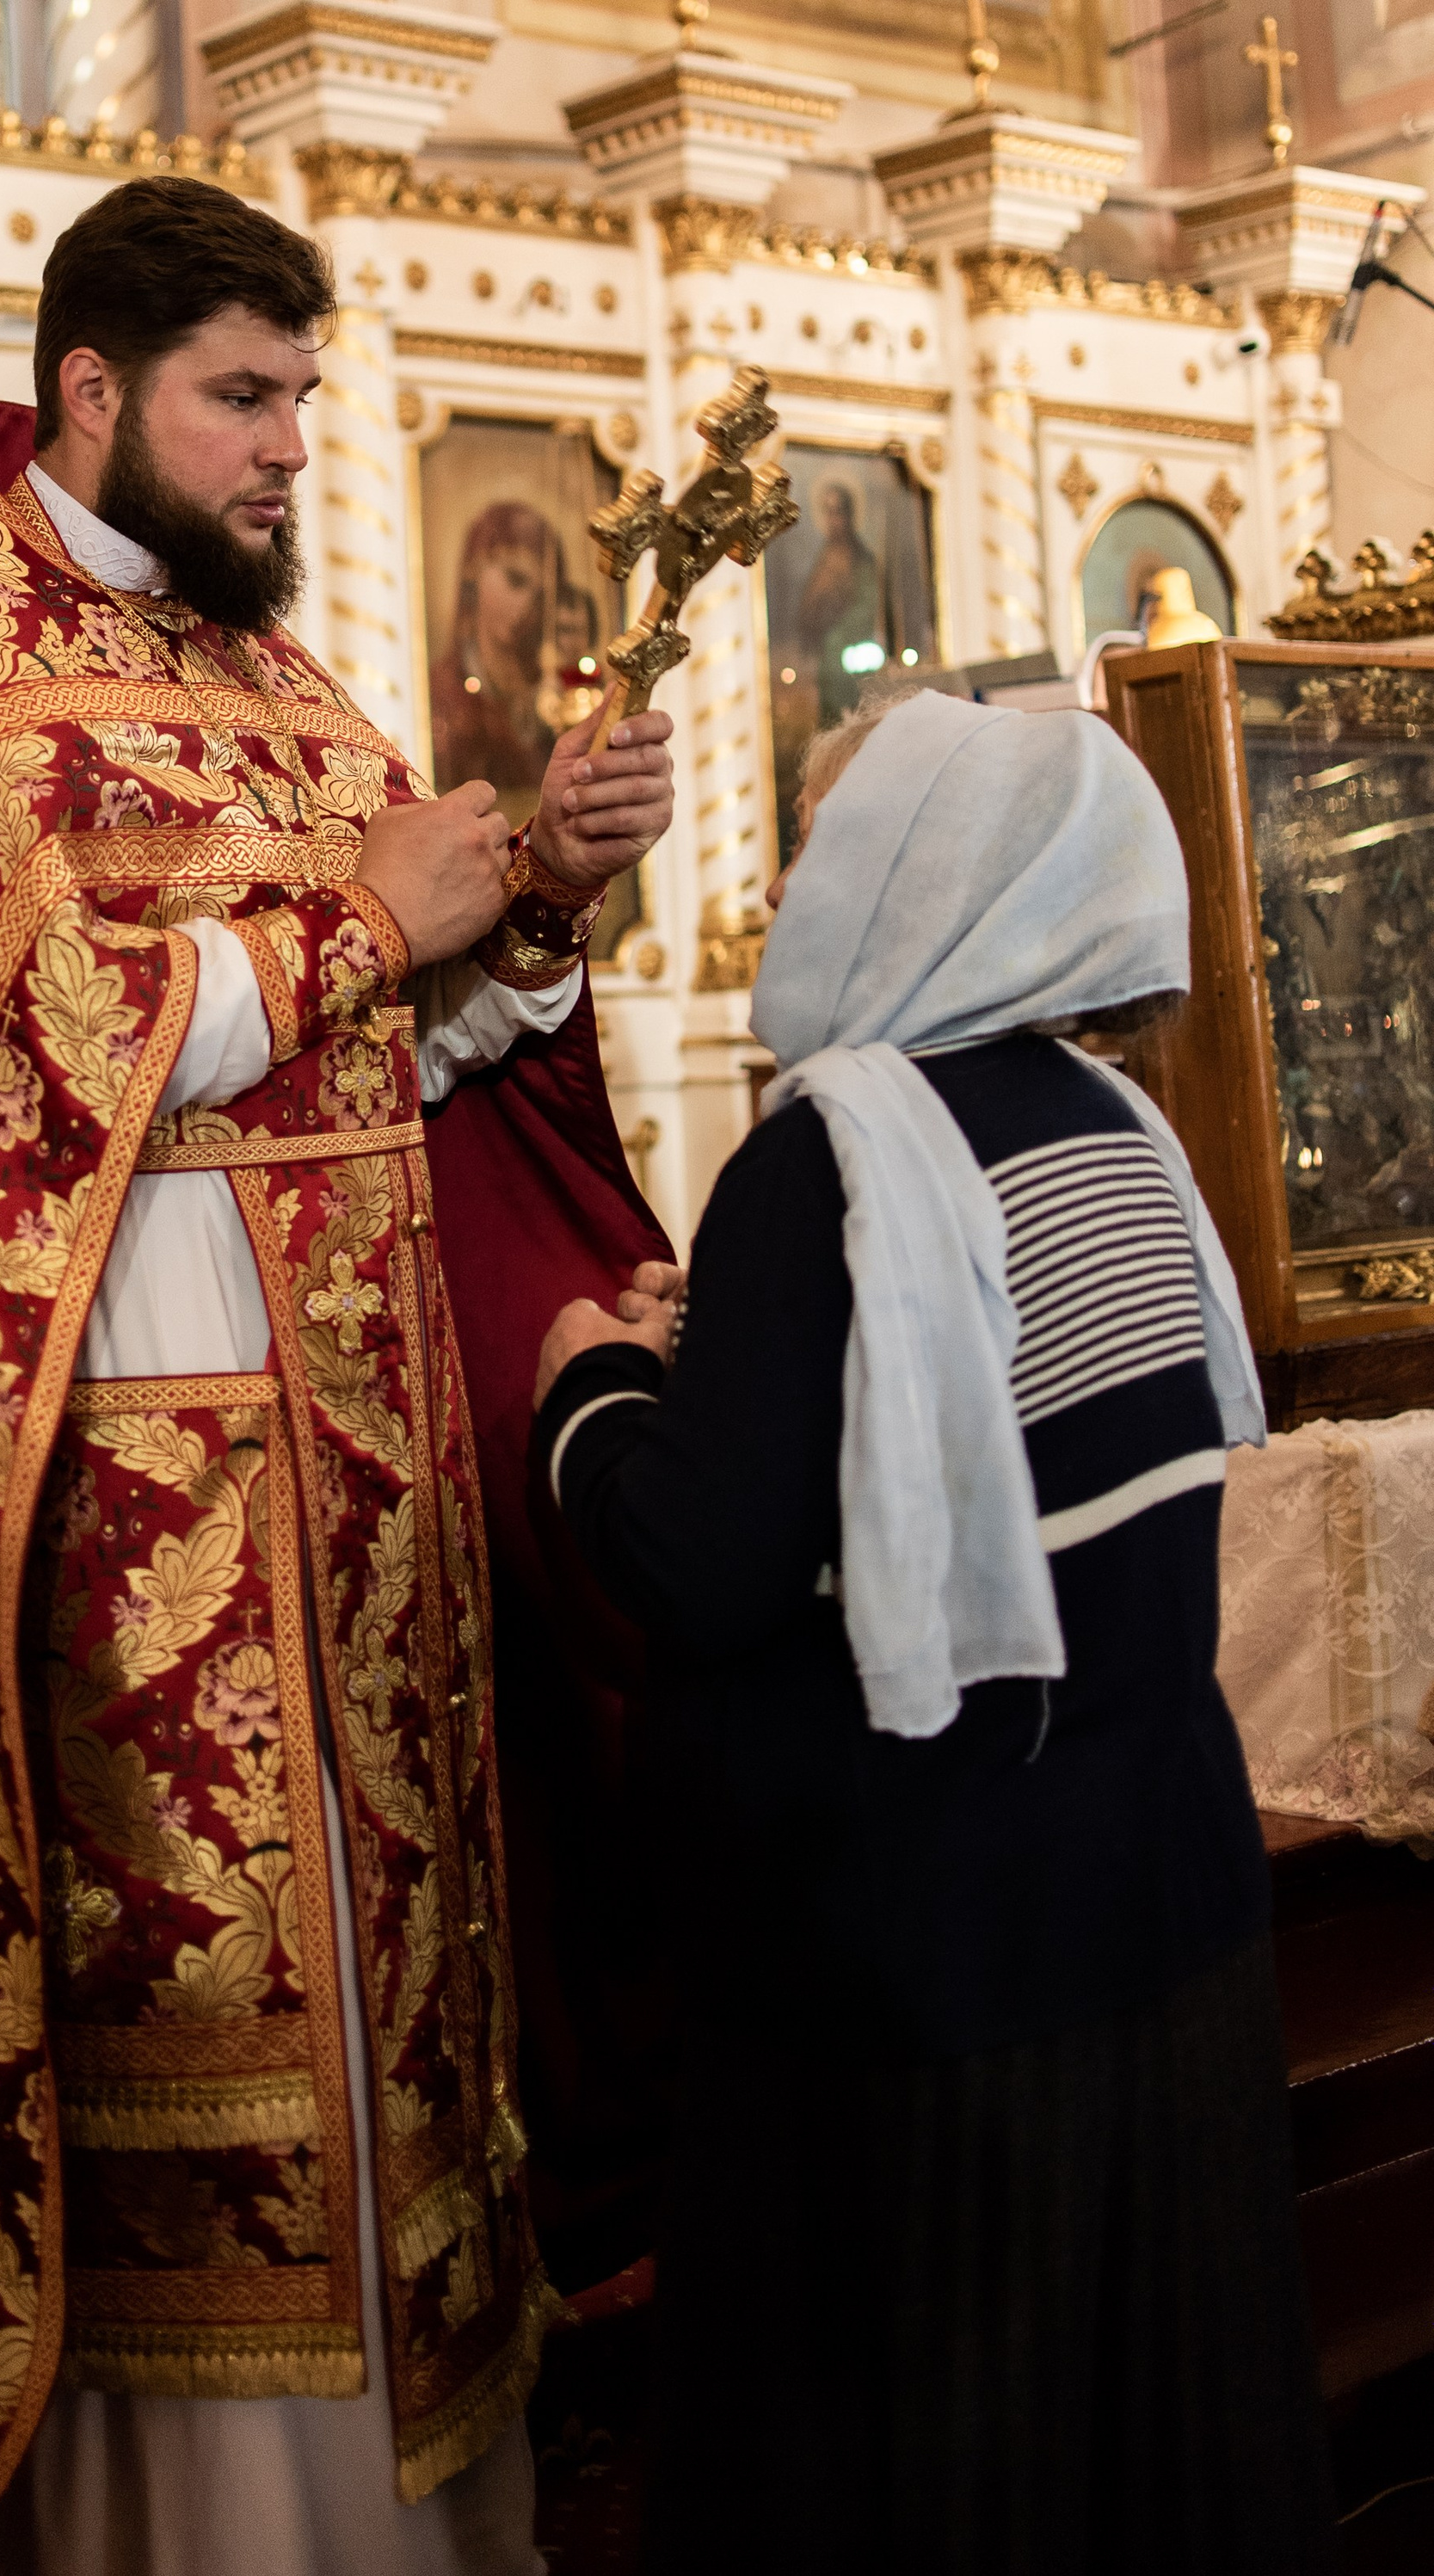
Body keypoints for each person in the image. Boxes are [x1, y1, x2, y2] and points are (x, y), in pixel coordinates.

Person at [0, 175, 678, 2576]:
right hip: (122, 1520)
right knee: (218, 2000)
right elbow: (4, 1065)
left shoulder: (271, 686)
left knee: (384, 2016)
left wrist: (529, 893)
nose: (286, 452)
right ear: (93, 393)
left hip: (361, 1511)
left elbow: (391, 1045)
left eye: (307, 402)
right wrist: (371, 919)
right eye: (244, 397)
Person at [531, 687, 1335, 2573]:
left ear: (928, 876)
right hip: (1154, 1912)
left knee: (918, 2473)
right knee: (1125, 2454)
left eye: (825, 834)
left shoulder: (830, 1161)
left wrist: (592, 1388)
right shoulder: (1117, 1123)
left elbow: (700, 1567)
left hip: (925, 1975)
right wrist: (727, 1353)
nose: (792, 876)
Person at [428, 500, 567, 803]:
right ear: (474, 572)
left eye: (539, 594)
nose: (526, 606)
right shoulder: (440, 687)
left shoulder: (547, 696)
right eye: (515, 580)